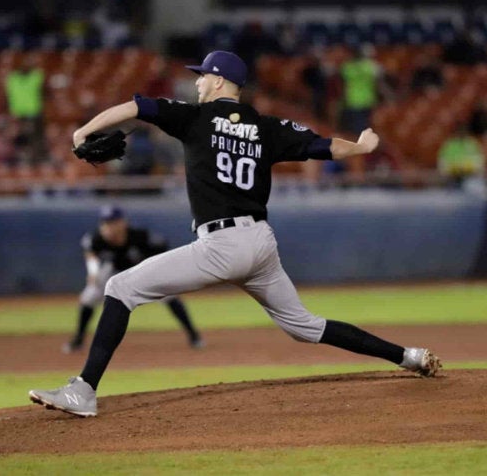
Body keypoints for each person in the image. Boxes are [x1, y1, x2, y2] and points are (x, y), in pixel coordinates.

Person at [28, 50, 442, 417]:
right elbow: (324, 147)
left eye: (203, 75)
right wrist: (362, 146)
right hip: (260, 243)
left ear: (220, 80)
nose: (197, 81)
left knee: (119, 287)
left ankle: (83, 391)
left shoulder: (194, 117)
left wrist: (83, 132)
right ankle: (409, 356)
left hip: (222, 245)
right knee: (305, 326)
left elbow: (135, 107)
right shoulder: (265, 127)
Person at [63, 205, 204, 354]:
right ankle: (78, 339)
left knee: (169, 296)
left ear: (124, 222)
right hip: (113, 272)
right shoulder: (96, 238)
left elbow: (162, 250)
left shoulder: (140, 236)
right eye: (106, 222)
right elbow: (90, 254)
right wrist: (93, 273)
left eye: (114, 222)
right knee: (89, 296)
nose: (110, 226)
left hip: (142, 269)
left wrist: (162, 273)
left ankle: (193, 335)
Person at [5, 57, 46, 162]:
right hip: (17, 114)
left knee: (33, 138)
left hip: (33, 114)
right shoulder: (12, 78)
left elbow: (44, 92)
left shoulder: (37, 76)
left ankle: (34, 160)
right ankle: (17, 160)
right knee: (16, 138)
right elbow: (7, 96)